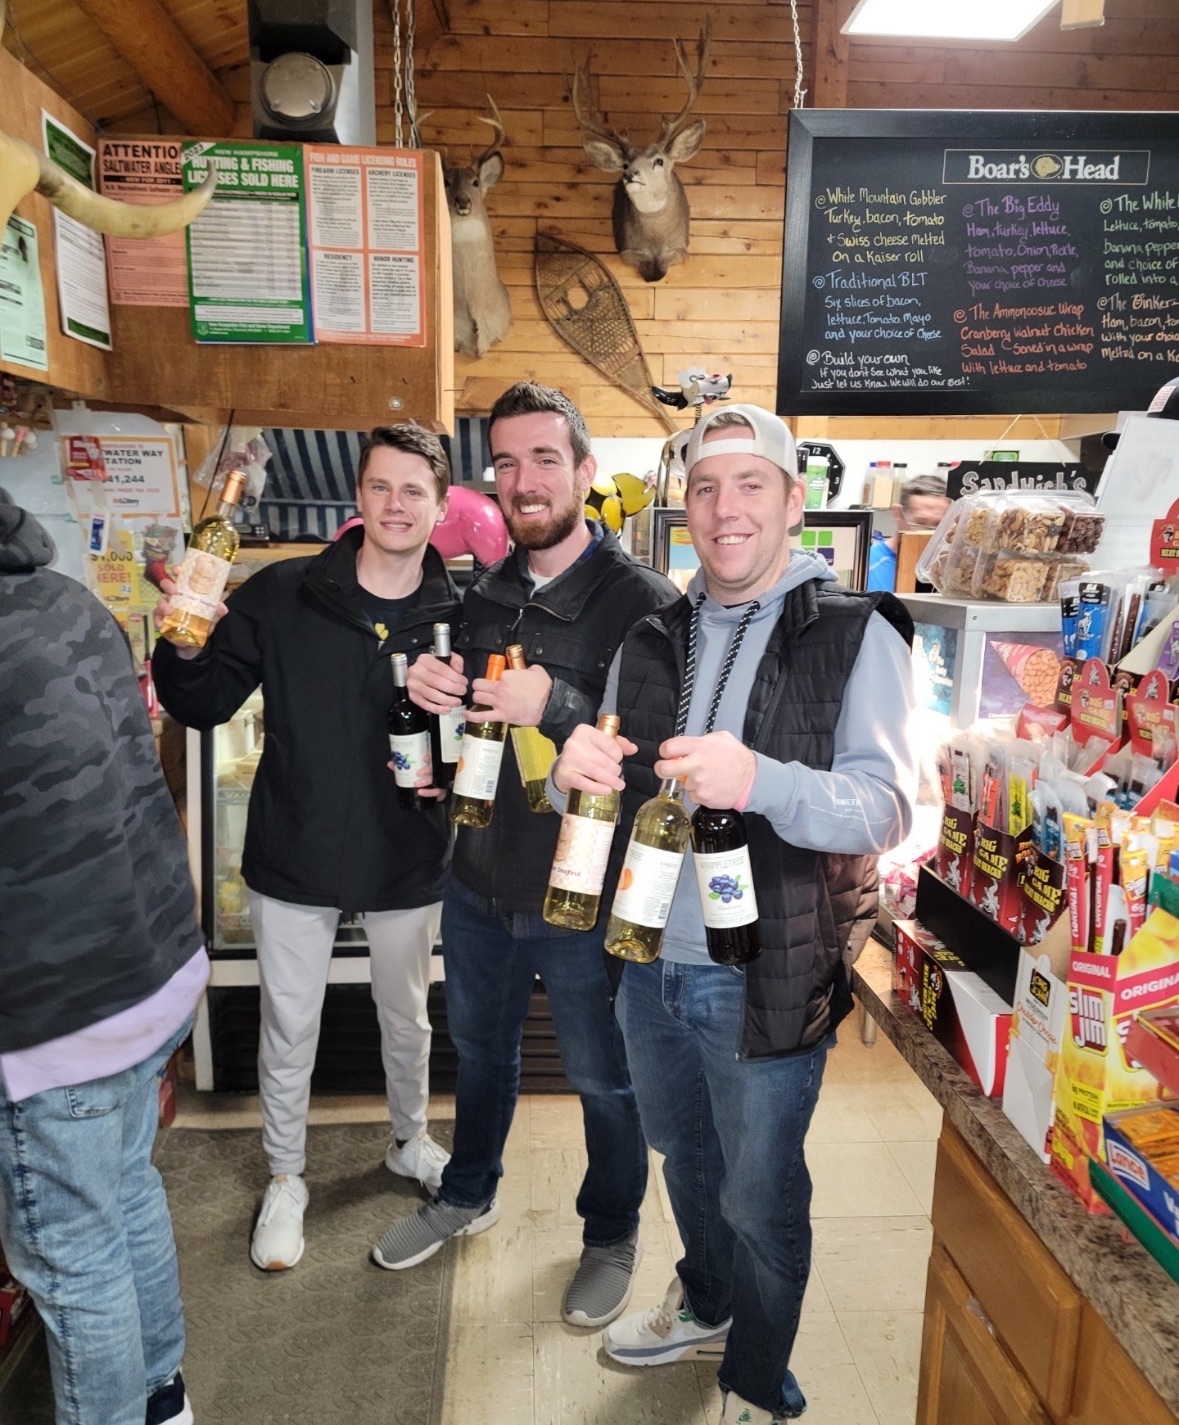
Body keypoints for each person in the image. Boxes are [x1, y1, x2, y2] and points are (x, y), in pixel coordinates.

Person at [548, 406, 917, 1424]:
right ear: (687, 508)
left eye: (752, 483)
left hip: (768, 972)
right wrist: (568, 774)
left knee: (759, 1192)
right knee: (682, 1151)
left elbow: (886, 807)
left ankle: (759, 1377)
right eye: (708, 487)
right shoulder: (650, 635)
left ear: (793, 502)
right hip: (646, 960)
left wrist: (761, 780)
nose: (726, 508)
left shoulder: (856, 633)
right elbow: (610, 795)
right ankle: (705, 1300)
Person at [371, 383, 677, 1332]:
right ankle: (468, 1191)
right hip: (478, 883)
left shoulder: (647, 606)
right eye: (505, 462)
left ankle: (611, 1231)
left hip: (584, 893)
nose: (523, 479)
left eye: (545, 459)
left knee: (600, 1075)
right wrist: (432, 707)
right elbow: (475, 735)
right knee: (483, 1055)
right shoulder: (484, 595)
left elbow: (660, 761)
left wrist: (559, 705)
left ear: (585, 471)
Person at [152, 424, 461, 1272]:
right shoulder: (283, 592)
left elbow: (479, 737)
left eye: (413, 490)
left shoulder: (457, 614)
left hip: (407, 849)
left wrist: (455, 768)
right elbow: (204, 702)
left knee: (408, 1014)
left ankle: (409, 1138)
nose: (395, 505)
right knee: (291, 1023)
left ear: (440, 507)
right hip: (296, 841)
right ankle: (285, 1176)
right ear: (356, 496)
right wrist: (184, 642)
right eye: (380, 486)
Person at [0, 488, 206, 1425]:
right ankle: (163, 1399)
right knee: (125, 1191)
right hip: (145, 969)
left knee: (71, 1252)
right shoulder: (68, 597)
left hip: (51, 1007)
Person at [867, 471, 951, 591]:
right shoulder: (868, 567)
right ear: (898, 514)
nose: (931, 534)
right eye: (921, 523)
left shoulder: (952, 571)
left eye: (939, 525)